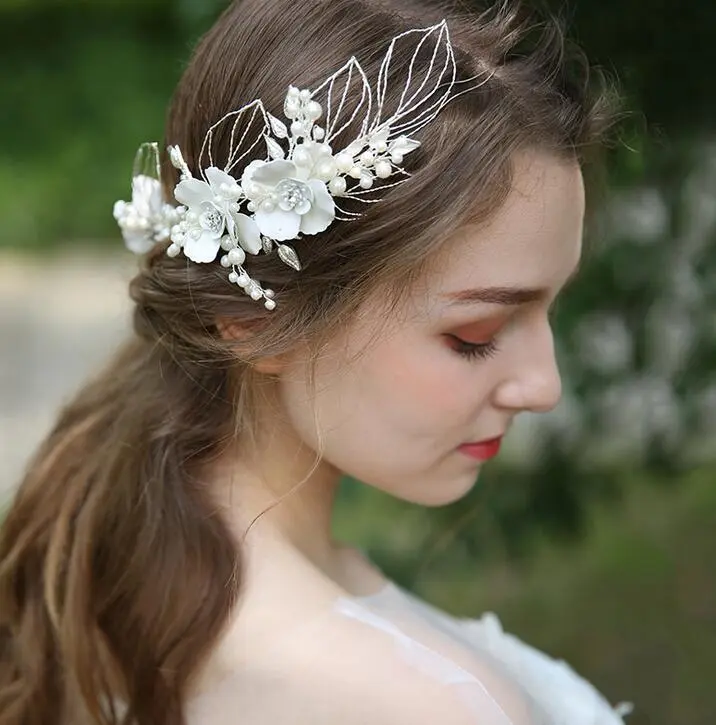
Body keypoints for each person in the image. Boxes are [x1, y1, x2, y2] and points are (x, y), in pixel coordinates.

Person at [0, 0, 632, 723]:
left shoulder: (132, 547)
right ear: (254, 313)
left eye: (549, 307)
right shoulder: (419, 706)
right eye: (477, 332)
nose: (544, 386)